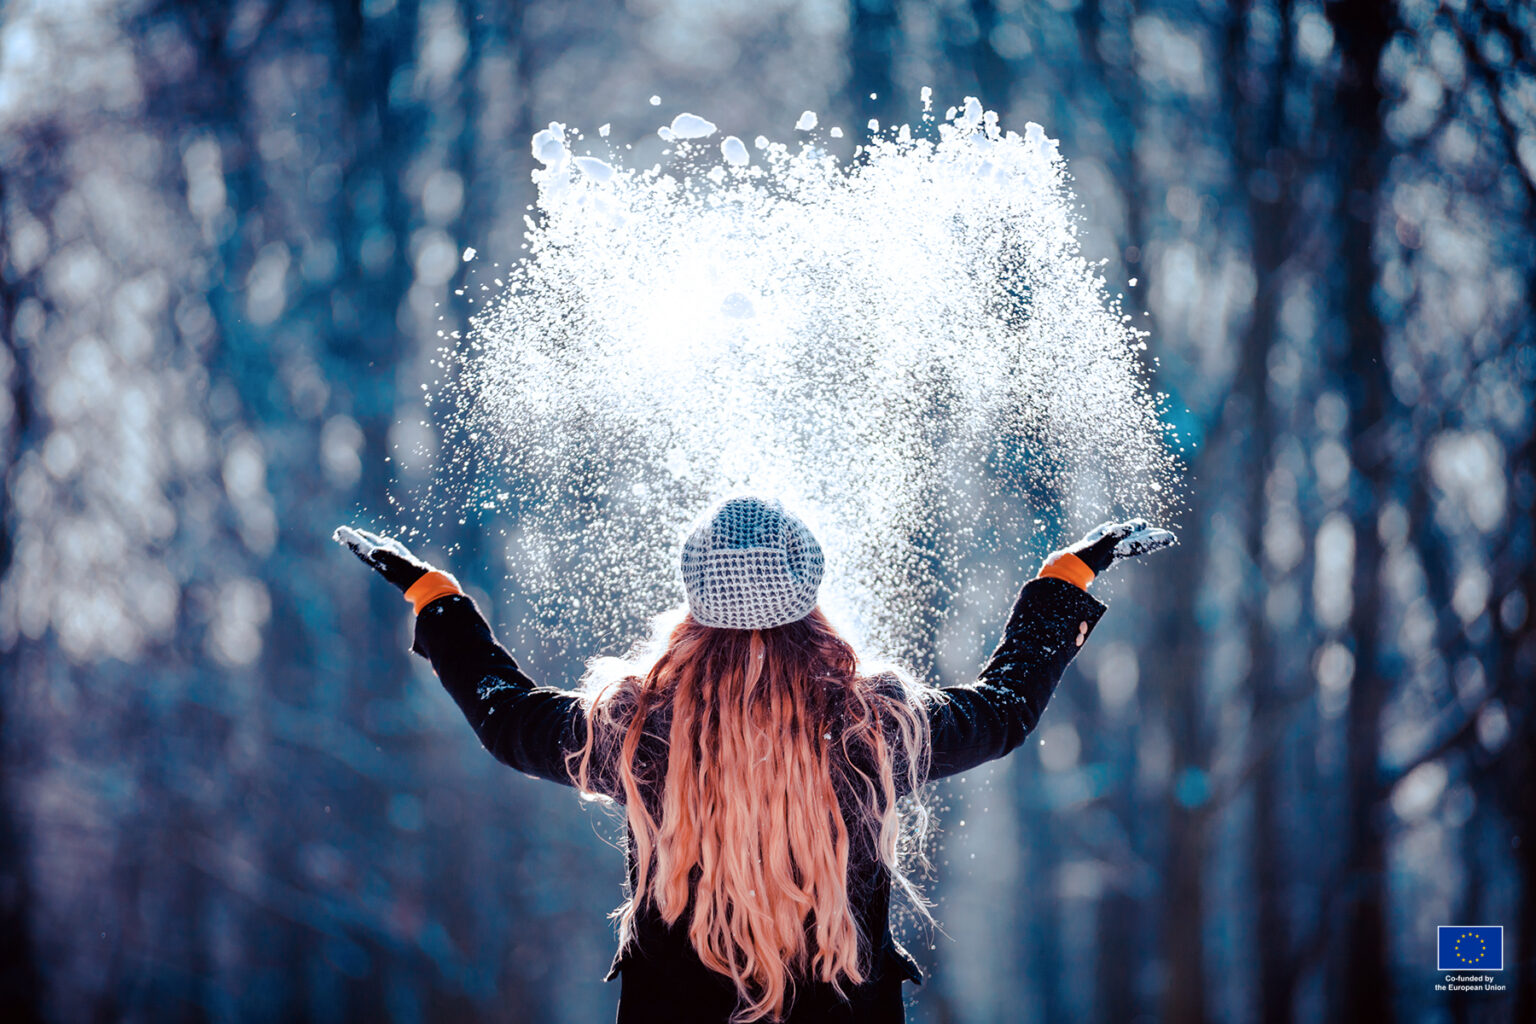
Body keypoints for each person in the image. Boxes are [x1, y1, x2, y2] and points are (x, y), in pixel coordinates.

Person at [335, 496, 1174, 1023]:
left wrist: (436, 600)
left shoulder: (639, 730)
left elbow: (507, 719)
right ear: (810, 594)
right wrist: (1064, 580)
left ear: (695, 598)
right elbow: (1004, 711)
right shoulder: (869, 726)